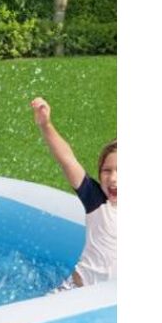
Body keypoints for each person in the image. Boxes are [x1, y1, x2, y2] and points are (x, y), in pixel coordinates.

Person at [30, 97, 117, 288]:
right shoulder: (98, 202)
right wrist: (46, 125)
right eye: (107, 171)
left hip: (108, 301)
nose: (113, 178)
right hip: (75, 294)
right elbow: (68, 160)